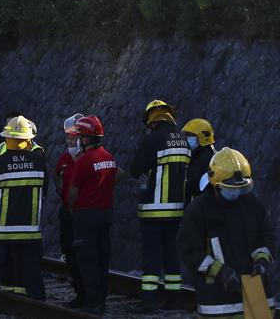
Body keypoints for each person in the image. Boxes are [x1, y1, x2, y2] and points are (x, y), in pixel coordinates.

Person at [178, 148, 275, 319]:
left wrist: (262, 261)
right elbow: (189, 251)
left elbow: (267, 237)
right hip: (218, 300)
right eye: (230, 188)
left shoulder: (252, 204)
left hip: (258, 295)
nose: (236, 193)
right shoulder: (200, 210)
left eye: (241, 187)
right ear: (216, 183)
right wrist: (221, 272)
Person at [0, 116, 47, 312]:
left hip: (3, 229)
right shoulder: (39, 162)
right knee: (32, 267)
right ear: (28, 139)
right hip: (31, 228)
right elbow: (44, 192)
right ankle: (38, 300)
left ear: (7, 139)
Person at [129, 99, 190, 311]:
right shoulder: (183, 139)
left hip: (154, 209)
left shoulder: (153, 139)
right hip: (177, 209)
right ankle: (175, 299)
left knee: (152, 255)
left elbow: (136, 169)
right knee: (172, 254)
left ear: (151, 122)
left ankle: (149, 300)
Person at [65, 115, 117, 316]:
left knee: (88, 260)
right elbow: (117, 176)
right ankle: (101, 302)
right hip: (105, 213)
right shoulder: (109, 158)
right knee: (103, 259)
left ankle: (93, 304)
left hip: (85, 215)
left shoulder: (84, 161)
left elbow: (72, 193)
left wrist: (72, 206)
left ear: (85, 138)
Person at [55, 112, 87, 307]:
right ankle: (80, 291)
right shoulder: (67, 156)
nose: (69, 140)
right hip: (68, 210)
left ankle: (86, 294)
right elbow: (56, 173)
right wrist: (61, 190)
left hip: (84, 212)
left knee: (83, 254)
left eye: (73, 137)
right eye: (67, 136)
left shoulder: (91, 156)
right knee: (69, 251)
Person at [182, 118, 217, 203]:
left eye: (190, 135)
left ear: (202, 138)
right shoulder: (198, 155)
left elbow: (192, 186)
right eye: (186, 135)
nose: (187, 139)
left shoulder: (206, 159)